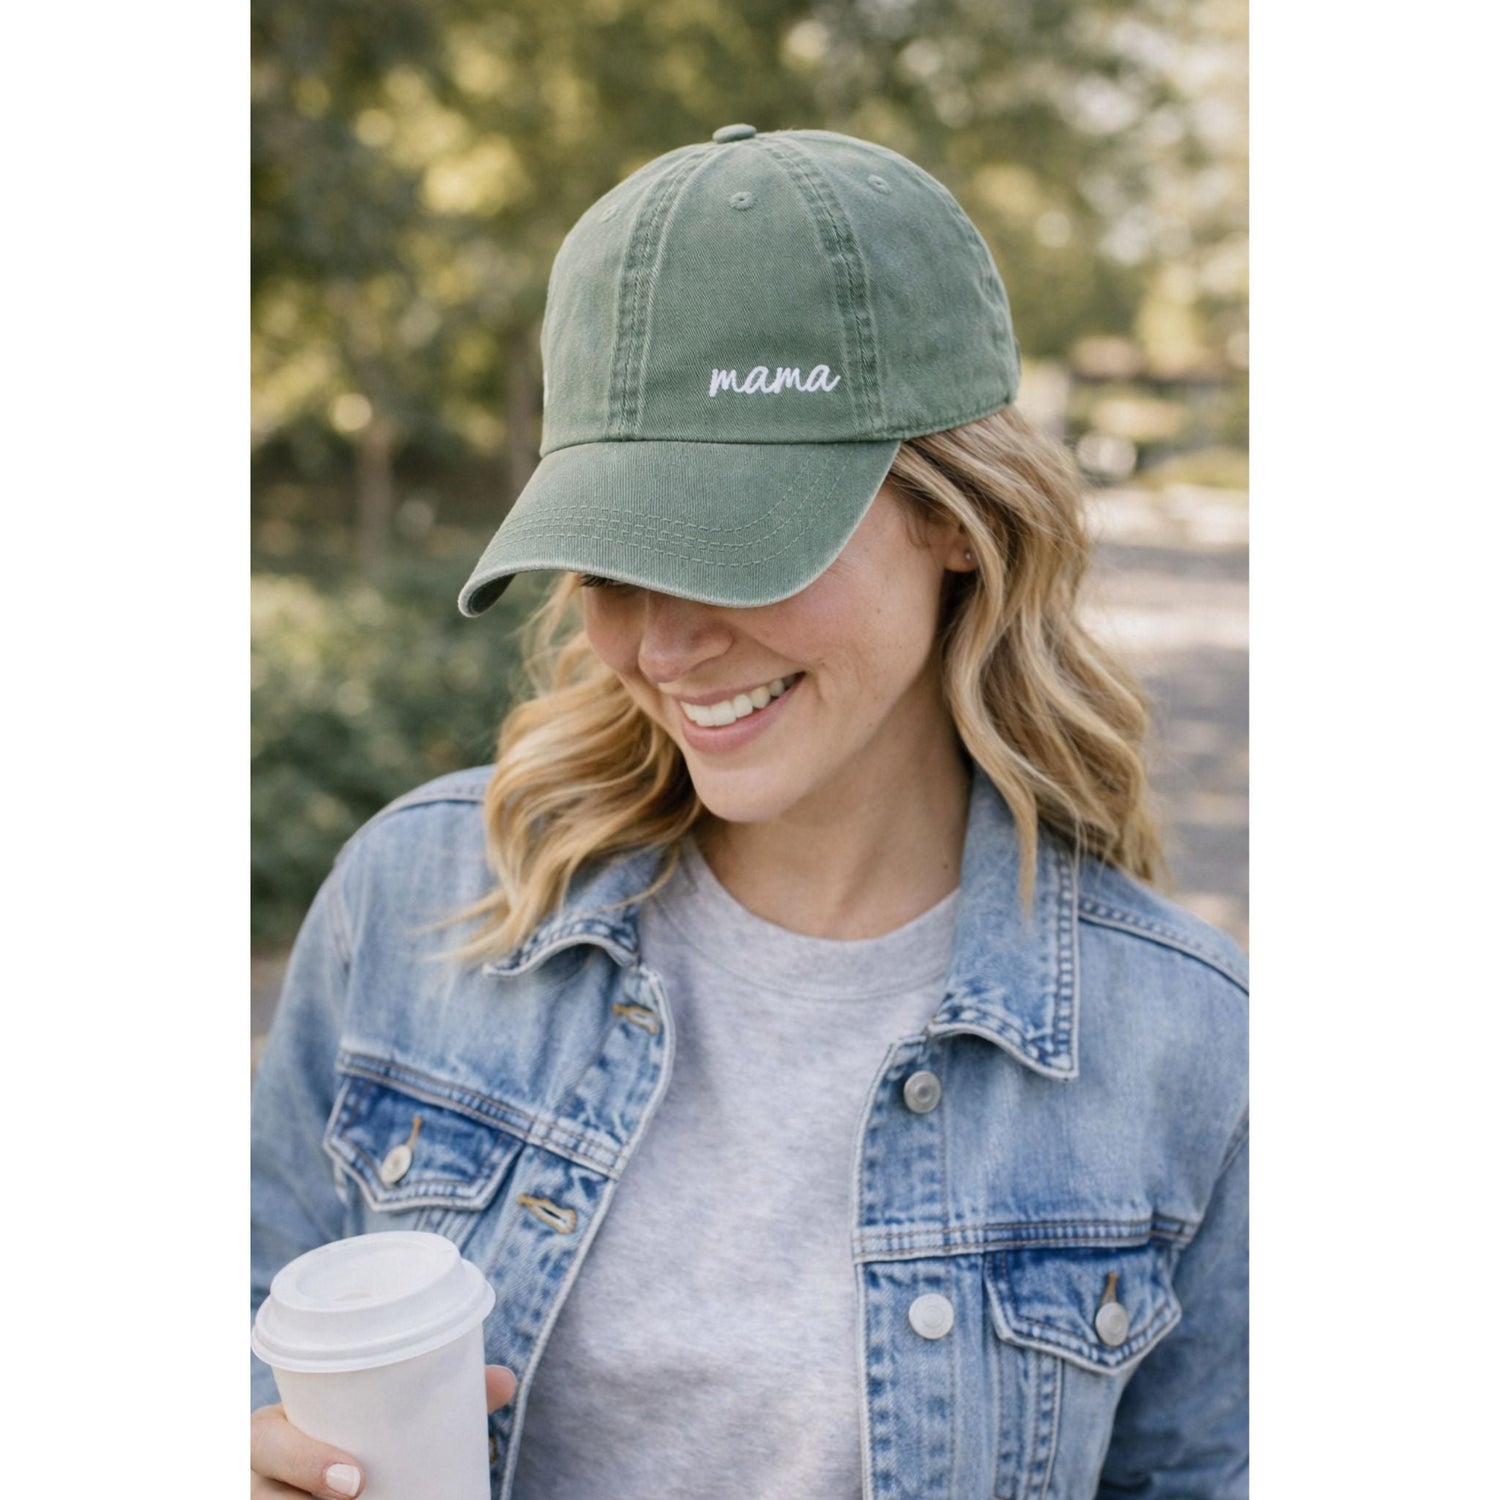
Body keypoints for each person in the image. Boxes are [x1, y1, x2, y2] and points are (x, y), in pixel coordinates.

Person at [251, 126, 1248, 1500]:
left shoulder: (1185, 1045)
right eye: (610, 559)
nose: (662, 646)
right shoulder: (417, 899)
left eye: (735, 547)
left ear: (958, 519)